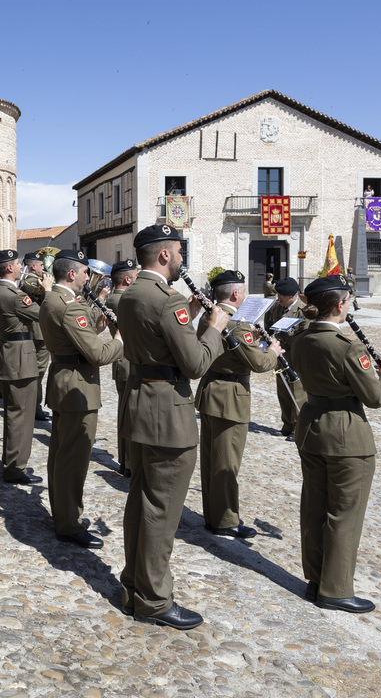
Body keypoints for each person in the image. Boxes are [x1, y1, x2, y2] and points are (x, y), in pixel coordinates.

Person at [118, 224, 227, 630]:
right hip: (168, 412)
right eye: (178, 252)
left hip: (142, 405)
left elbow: (157, 341)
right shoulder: (169, 300)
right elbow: (196, 364)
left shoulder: (132, 293)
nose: (182, 259)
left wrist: (189, 321)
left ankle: (134, 585)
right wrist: (214, 327)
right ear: (164, 255)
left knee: (141, 503)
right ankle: (154, 599)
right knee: (162, 511)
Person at [288, 274, 381, 614]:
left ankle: (317, 579)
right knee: (344, 515)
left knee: (315, 507)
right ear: (339, 305)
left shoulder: (301, 339)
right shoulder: (348, 347)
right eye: (349, 300)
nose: (350, 305)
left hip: (312, 428)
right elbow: (376, 397)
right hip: (346, 436)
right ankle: (335, 589)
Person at [39, 249, 122, 549]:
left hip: (63, 379)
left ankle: (62, 513)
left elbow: (74, 338)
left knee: (60, 454)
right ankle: (69, 522)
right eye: (86, 272)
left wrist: (95, 329)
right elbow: (97, 354)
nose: (89, 277)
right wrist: (119, 338)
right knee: (73, 459)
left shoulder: (53, 298)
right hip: (78, 388)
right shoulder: (70, 307)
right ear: (72, 274)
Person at [194, 270, 281, 539]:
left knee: (211, 459)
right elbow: (259, 364)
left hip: (211, 391)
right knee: (227, 463)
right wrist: (272, 351)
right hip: (230, 397)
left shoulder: (209, 316)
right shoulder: (236, 324)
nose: (244, 295)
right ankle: (225, 520)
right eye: (242, 291)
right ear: (235, 294)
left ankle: (213, 515)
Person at [0, 249, 44, 484]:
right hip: (22, 358)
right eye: (18, 264)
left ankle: (12, 463)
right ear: (9, 268)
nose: (22, 267)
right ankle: (15, 467)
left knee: (14, 414)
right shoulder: (14, 294)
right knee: (22, 415)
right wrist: (48, 292)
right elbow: (44, 314)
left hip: (10, 355)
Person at [264, 277, 309, 440]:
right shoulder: (277, 307)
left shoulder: (303, 311)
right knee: (283, 390)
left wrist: (286, 338)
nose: (278, 298)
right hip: (280, 356)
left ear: (292, 295)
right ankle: (287, 424)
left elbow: (305, 336)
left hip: (295, 357)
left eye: (281, 295)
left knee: (297, 392)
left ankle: (298, 427)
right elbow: (268, 324)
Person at [105, 259, 138, 476]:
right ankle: (128, 461)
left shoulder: (115, 298)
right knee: (130, 414)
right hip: (128, 362)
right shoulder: (121, 300)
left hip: (124, 362)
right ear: (127, 279)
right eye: (136, 276)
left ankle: (126, 460)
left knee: (126, 412)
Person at [21, 251, 52, 422]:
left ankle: (34, 405)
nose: (44, 268)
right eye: (41, 265)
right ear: (33, 266)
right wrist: (48, 286)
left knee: (37, 371)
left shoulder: (30, 278)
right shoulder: (30, 280)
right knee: (38, 372)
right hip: (38, 331)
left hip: (37, 330)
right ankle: (34, 407)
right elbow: (42, 295)